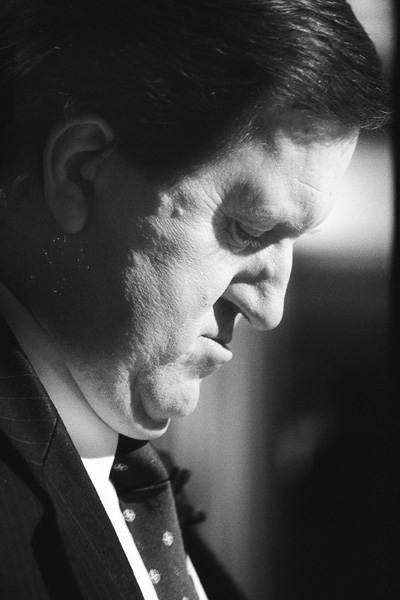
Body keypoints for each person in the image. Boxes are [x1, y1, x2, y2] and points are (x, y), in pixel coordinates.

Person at [0, 1, 389, 599]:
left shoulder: (140, 495)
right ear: (80, 171)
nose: (269, 309)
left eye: (294, 243)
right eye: (249, 230)